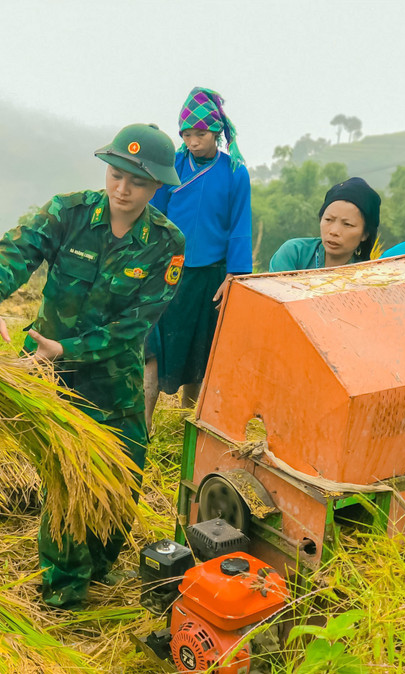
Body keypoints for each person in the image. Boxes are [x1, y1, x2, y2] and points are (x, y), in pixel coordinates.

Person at [0, 123, 185, 609]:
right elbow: (13, 251)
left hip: (115, 381)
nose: (122, 189)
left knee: (122, 480)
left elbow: (136, 323)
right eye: (116, 174)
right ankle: (63, 592)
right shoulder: (69, 212)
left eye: (138, 182)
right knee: (68, 480)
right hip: (52, 378)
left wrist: (69, 349)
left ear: (156, 188)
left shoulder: (166, 243)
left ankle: (100, 567)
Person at [144, 87, 252, 427]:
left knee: (200, 354)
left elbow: (239, 225)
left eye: (200, 134)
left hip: (210, 275)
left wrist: (234, 276)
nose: (193, 142)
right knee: (157, 351)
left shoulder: (234, 171)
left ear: (217, 132)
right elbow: (154, 215)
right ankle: (141, 428)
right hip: (169, 272)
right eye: (187, 134)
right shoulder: (173, 166)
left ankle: (185, 426)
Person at [269, 177, 381, 272]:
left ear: (365, 234)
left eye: (347, 224)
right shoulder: (294, 253)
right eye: (328, 219)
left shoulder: (366, 275)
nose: (334, 231)